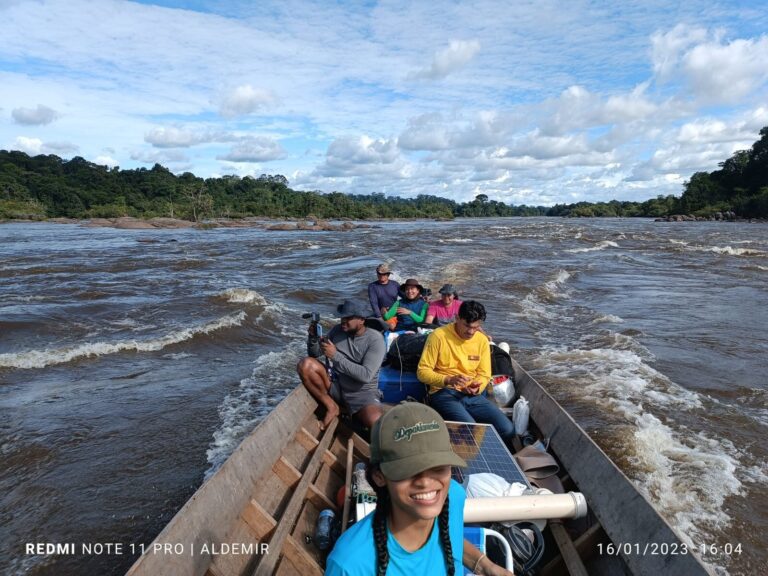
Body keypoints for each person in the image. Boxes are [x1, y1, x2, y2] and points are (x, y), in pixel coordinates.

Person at [326, 403, 512, 576]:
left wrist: (486, 566)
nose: (425, 482)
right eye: (408, 470)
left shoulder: (452, 496)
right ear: (379, 476)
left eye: (438, 466)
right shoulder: (349, 565)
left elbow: (450, 537)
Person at [416, 301, 515, 445]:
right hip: (444, 393)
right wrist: (448, 379)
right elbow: (422, 372)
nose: (470, 332)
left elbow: (485, 374)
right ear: (457, 318)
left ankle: (486, 453)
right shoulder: (438, 336)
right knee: (470, 429)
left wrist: (477, 387)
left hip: (472, 395)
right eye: (467, 326)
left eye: (475, 327)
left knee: (508, 430)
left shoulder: (481, 340)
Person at [296, 300, 385, 430]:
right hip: (337, 387)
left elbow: (365, 376)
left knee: (376, 423)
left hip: (362, 394)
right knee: (305, 364)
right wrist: (313, 338)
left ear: (361, 320)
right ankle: (331, 406)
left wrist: (335, 356)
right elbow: (314, 354)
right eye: (342, 317)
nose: (343, 320)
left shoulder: (375, 340)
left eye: (348, 318)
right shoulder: (337, 331)